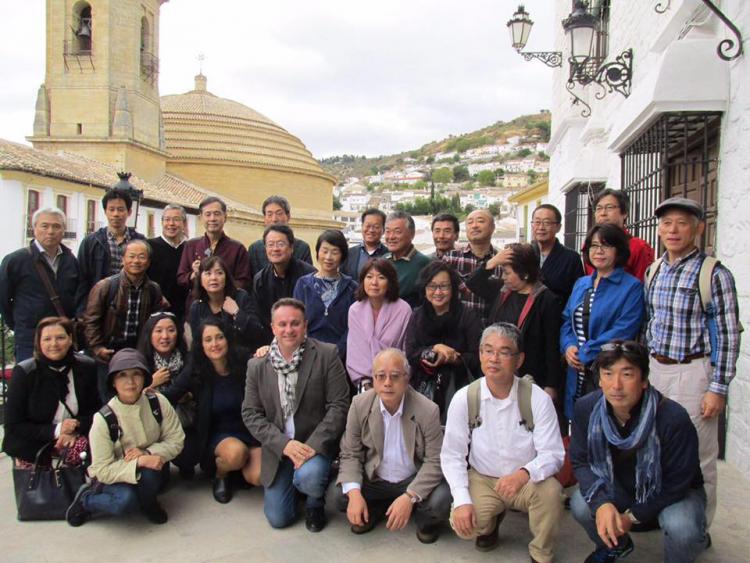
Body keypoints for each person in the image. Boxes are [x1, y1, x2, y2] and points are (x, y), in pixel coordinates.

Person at [644, 197, 740, 528]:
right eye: (667, 222)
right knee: (656, 446)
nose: (673, 230)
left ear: (697, 228)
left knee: (699, 455)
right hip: (657, 370)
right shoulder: (654, 270)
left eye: (682, 223)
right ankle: (661, 512)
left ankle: (698, 527)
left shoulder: (713, 274)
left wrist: (718, 387)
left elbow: (727, 336)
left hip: (694, 371)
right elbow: (650, 324)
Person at [570, 341, 708, 563]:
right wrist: (602, 504)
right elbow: (581, 461)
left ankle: (693, 541)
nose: (616, 385)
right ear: (599, 379)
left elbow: (677, 482)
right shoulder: (586, 408)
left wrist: (633, 516)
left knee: (682, 528)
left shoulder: (672, 418)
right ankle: (617, 546)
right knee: (581, 503)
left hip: (672, 492)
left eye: (627, 374)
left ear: (644, 380)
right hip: (622, 487)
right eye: (608, 374)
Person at [441, 323, 565, 561]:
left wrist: (523, 473)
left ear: (519, 360)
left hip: (525, 480)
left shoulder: (537, 398)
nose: (494, 359)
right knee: (465, 526)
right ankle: (490, 523)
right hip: (484, 478)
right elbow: (452, 454)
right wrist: (462, 500)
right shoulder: (465, 398)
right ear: (479, 355)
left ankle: (541, 551)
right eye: (487, 351)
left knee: (551, 494)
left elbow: (553, 454)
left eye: (504, 352)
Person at [242, 298, 350, 532]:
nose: (288, 330)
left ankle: (314, 501)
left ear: (305, 325)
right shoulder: (257, 365)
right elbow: (250, 413)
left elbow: (339, 405)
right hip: (280, 449)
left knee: (309, 477)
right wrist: (284, 445)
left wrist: (312, 446)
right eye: (282, 324)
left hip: (315, 445)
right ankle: (302, 484)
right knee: (279, 519)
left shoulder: (327, 355)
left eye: (295, 323)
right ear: (272, 328)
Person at [337, 348, 451, 543]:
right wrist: (355, 495)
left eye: (395, 376)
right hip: (376, 479)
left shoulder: (427, 410)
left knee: (441, 500)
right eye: (380, 376)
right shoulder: (359, 404)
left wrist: (409, 496)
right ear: (373, 379)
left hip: (411, 478)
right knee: (339, 496)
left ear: (407, 379)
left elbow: (435, 460)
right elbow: (350, 453)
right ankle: (375, 507)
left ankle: (423, 519)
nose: (387, 383)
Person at [65, 348, 184, 527]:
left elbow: (176, 440)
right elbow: (102, 469)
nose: (130, 381)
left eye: (136, 374)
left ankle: (148, 502)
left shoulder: (157, 402)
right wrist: (140, 461)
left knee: (152, 475)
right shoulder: (104, 418)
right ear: (113, 381)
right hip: (115, 475)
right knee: (125, 501)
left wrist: (147, 452)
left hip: (151, 468)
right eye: (122, 375)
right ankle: (86, 500)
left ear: (144, 377)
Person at [165, 319, 260, 503]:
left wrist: (264, 353)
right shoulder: (196, 369)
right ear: (201, 344)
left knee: (258, 476)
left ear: (228, 339)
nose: (214, 344)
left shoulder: (243, 360)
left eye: (219, 337)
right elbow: (169, 396)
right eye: (208, 340)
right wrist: (150, 387)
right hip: (219, 436)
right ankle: (221, 473)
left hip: (249, 432)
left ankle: (237, 470)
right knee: (236, 454)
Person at [561, 224, 644, 420]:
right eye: (594, 245)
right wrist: (568, 346)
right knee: (578, 423)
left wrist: (586, 353)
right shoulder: (582, 284)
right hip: (576, 371)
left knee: (604, 423)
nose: (598, 251)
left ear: (619, 251)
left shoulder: (632, 287)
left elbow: (624, 328)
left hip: (608, 369)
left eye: (606, 246)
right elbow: (567, 320)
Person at [466, 243, 563, 401]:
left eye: (507, 272)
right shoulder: (501, 291)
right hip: (497, 373)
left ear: (524, 274)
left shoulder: (546, 300)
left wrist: (551, 385)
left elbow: (551, 346)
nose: (503, 278)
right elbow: (472, 283)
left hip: (530, 375)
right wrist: (492, 262)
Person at [2, 317, 99, 467]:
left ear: (70, 339)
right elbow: (13, 425)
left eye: (60, 337)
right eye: (47, 339)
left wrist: (74, 428)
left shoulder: (86, 367)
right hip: (33, 442)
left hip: (73, 437)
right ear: (38, 342)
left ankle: (82, 489)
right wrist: (57, 430)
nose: (54, 344)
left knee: (83, 449)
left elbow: (96, 412)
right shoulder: (24, 372)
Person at [82, 239, 167, 402]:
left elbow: (157, 320)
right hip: (109, 351)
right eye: (132, 256)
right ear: (123, 259)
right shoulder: (106, 286)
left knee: (135, 397)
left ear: (148, 262)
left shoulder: (153, 289)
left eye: (142, 257)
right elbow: (90, 321)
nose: (136, 261)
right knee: (108, 399)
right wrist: (97, 347)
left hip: (137, 350)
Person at [0, 207, 79, 362]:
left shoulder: (70, 260)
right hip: (30, 339)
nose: (50, 231)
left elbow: (76, 294)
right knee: (31, 382)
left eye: (56, 226)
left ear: (63, 230)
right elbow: (3, 299)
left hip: (62, 338)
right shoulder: (15, 261)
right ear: (34, 228)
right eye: (45, 226)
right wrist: (21, 324)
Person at [405, 261, 480, 421]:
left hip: (460, 388)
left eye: (444, 286)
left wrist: (454, 358)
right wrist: (434, 349)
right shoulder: (417, 316)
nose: (438, 292)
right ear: (424, 289)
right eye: (432, 286)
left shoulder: (467, 316)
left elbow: (477, 357)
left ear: (453, 289)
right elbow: (411, 354)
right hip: (423, 389)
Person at [137, 311, 197, 478]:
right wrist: (151, 383)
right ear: (149, 333)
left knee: (190, 454)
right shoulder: (140, 361)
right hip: (150, 428)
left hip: (183, 421)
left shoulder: (187, 358)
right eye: (158, 330)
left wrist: (190, 396)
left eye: (171, 330)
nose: (165, 336)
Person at [76, 188, 145, 315]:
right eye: (111, 209)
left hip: (132, 305)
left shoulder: (140, 241)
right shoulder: (91, 242)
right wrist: (82, 312)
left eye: (120, 209)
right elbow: (82, 279)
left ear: (129, 212)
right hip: (99, 306)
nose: (116, 214)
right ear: (105, 211)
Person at [346, 258, 412, 391]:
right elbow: (356, 352)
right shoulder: (355, 310)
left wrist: (389, 376)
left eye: (381, 277)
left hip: (395, 379)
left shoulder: (403, 309)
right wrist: (367, 383)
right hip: (364, 382)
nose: (374, 283)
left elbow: (407, 350)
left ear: (390, 282)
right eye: (369, 277)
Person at [293, 229, 357, 358]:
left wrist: (338, 351)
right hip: (307, 353)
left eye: (335, 252)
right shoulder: (303, 284)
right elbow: (296, 320)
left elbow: (353, 326)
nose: (328, 257)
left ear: (343, 256)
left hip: (341, 356)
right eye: (325, 251)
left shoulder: (352, 287)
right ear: (317, 252)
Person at [177, 196, 251, 306]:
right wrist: (194, 274)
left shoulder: (237, 248)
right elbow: (181, 278)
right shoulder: (191, 245)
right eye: (208, 214)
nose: (212, 218)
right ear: (201, 217)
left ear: (225, 217)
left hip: (227, 308)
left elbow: (244, 282)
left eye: (217, 214)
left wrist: (220, 286)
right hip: (197, 307)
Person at [253, 224, 316, 345]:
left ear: (291, 248)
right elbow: (261, 319)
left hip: (306, 340)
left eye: (280, 244)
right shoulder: (260, 280)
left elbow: (313, 316)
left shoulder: (309, 276)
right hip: (273, 341)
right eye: (270, 245)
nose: (275, 249)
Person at [187, 255, 263, 350]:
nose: (213, 278)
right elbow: (197, 344)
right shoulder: (197, 307)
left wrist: (237, 313)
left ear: (226, 277)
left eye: (219, 273)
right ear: (200, 280)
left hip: (242, 357)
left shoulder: (241, 297)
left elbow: (258, 333)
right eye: (208, 273)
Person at [442, 209, 503, 326]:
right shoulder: (450, 259)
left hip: (490, 332)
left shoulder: (501, 261)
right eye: (470, 222)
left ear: (492, 227)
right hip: (457, 330)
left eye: (480, 221)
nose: (474, 226)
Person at [584, 188, 654, 281]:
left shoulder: (638, 247)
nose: (603, 213)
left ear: (624, 213)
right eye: (599, 208)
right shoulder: (589, 245)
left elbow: (643, 286)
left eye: (609, 207)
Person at [528, 204, 584, 304]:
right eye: (537, 222)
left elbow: (577, 296)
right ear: (532, 225)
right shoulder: (524, 254)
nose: (541, 227)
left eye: (547, 222)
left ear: (558, 227)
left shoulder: (571, 258)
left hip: (557, 316)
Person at [248, 195, 313, 277]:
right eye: (269, 214)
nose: (274, 219)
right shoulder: (254, 249)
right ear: (264, 218)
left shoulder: (302, 248)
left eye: (279, 213)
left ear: (288, 216)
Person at [147, 204, 189, 325]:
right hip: (156, 310)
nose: (171, 223)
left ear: (183, 223)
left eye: (176, 219)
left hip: (184, 313)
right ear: (162, 222)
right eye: (167, 219)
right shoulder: (149, 246)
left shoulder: (190, 248)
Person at [383, 210, 431, 308]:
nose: (391, 237)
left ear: (412, 234)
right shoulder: (383, 260)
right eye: (388, 231)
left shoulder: (424, 263)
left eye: (397, 232)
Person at [342, 208, 388, 278]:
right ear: (362, 227)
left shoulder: (389, 255)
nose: (371, 230)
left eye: (376, 227)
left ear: (383, 230)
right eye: (367, 226)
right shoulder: (348, 254)